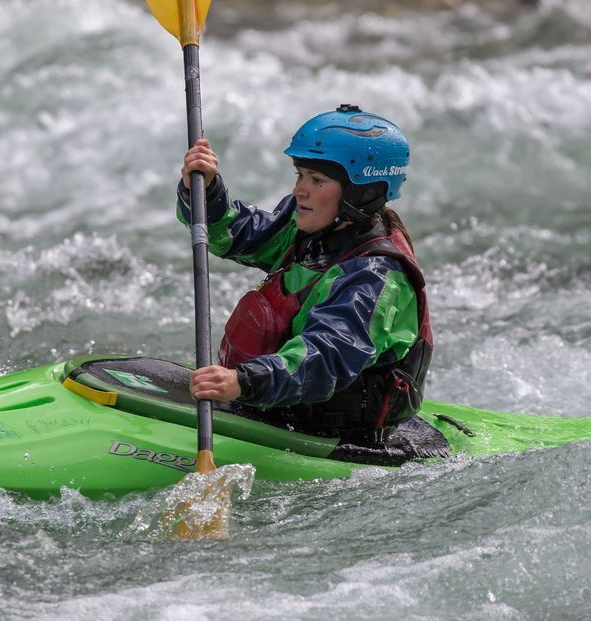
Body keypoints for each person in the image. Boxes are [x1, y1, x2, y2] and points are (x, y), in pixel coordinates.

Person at [178, 104, 433, 441]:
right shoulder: (309, 227)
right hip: (280, 404)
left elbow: (325, 356)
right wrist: (205, 191)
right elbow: (238, 234)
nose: (301, 189)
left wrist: (243, 381)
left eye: (317, 180)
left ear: (361, 191)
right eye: (300, 175)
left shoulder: (375, 276)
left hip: (338, 431)